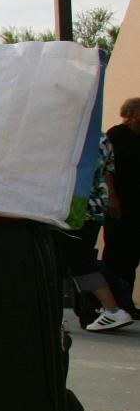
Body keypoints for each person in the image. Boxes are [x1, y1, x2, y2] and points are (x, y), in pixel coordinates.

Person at [72, 133, 133, 331]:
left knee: (79, 260)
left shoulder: (77, 135)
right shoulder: (102, 138)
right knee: (78, 259)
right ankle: (101, 310)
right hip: (93, 207)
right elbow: (108, 172)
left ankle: (111, 309)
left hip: (77, 207)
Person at [104, 98, 140, 315]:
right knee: (116, 252)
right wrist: (112, 197)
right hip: (119, 204)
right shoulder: (117, 135)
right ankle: (110, 302)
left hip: (136, 206)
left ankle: (126, 302)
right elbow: (107, 169)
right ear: (133, 113)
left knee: (133, 254)